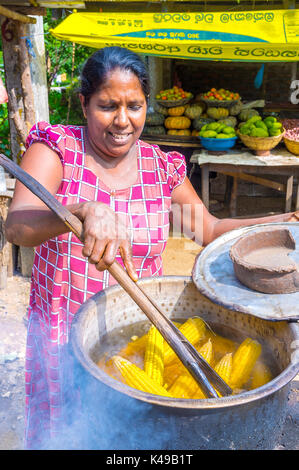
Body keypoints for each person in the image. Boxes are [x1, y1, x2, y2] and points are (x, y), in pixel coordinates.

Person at [5, 46, 298, 450]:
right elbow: (18, 226)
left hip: (141, 337)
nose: (122, 121)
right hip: (64, 335)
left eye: (134, 106)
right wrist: (82, 209)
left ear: (147, 104)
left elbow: (209, 229)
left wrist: (281, 222)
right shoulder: (57, 149)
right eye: (107, 106)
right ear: (84, 103)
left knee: (133, 441)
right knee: (68, 436)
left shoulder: (160, 167)